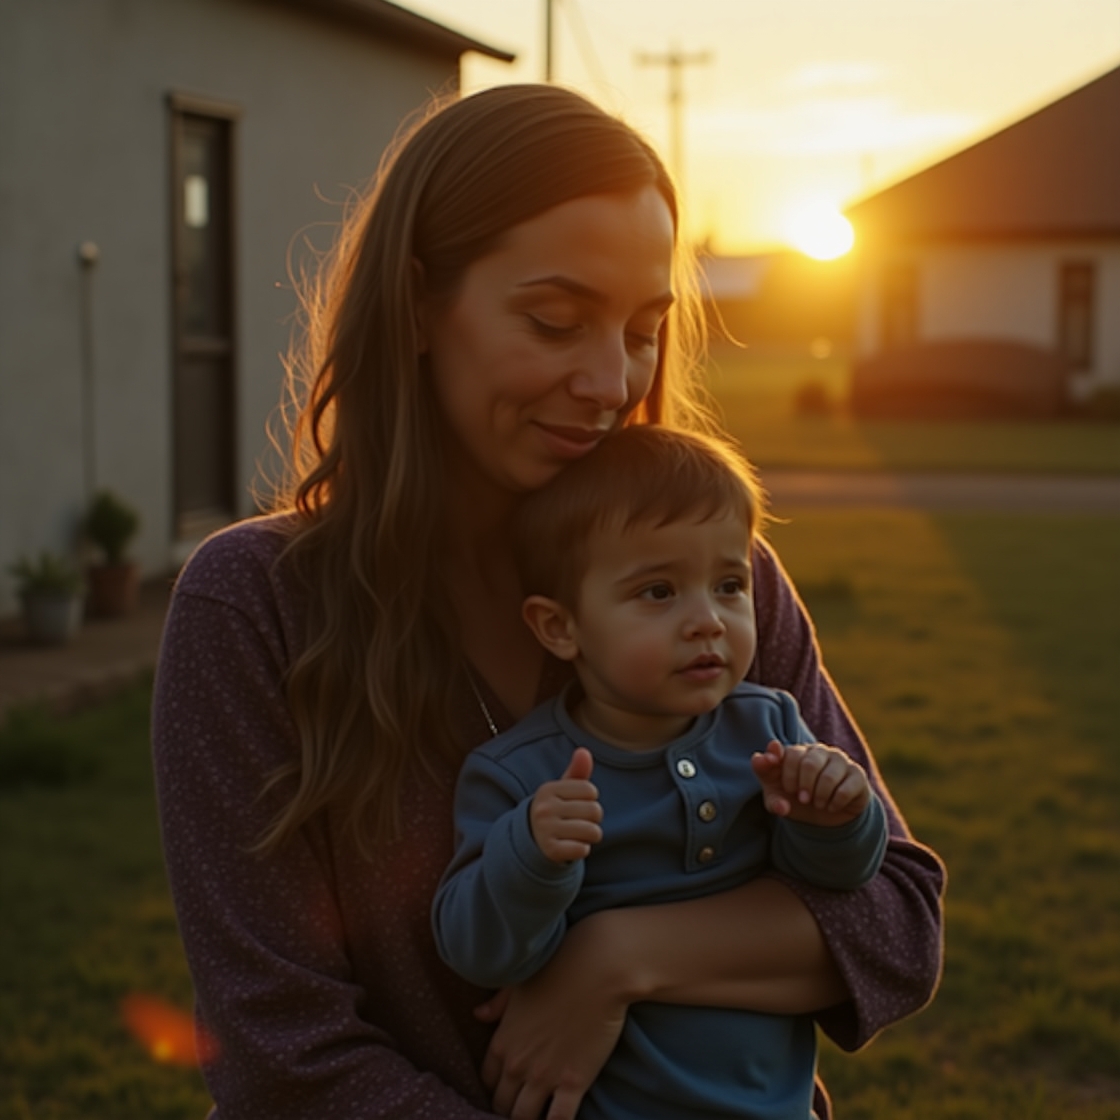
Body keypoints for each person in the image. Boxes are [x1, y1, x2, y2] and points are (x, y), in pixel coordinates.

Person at [152, 84, 945, 1120]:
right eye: (555, 321)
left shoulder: (714, 581)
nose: (610, 379)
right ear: (419, 305)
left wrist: (618, 956)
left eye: (642, 329)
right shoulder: (254, 605)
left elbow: (890, 925)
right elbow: (281, 1051)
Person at [433, 425, 890, 1120]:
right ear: (560, 628)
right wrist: (529, 855)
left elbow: (835, 886)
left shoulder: (768, 726)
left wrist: (838, 818)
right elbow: (479, 952)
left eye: (730, 585)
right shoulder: (520, 775)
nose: (707, 620)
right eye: (657, 592)